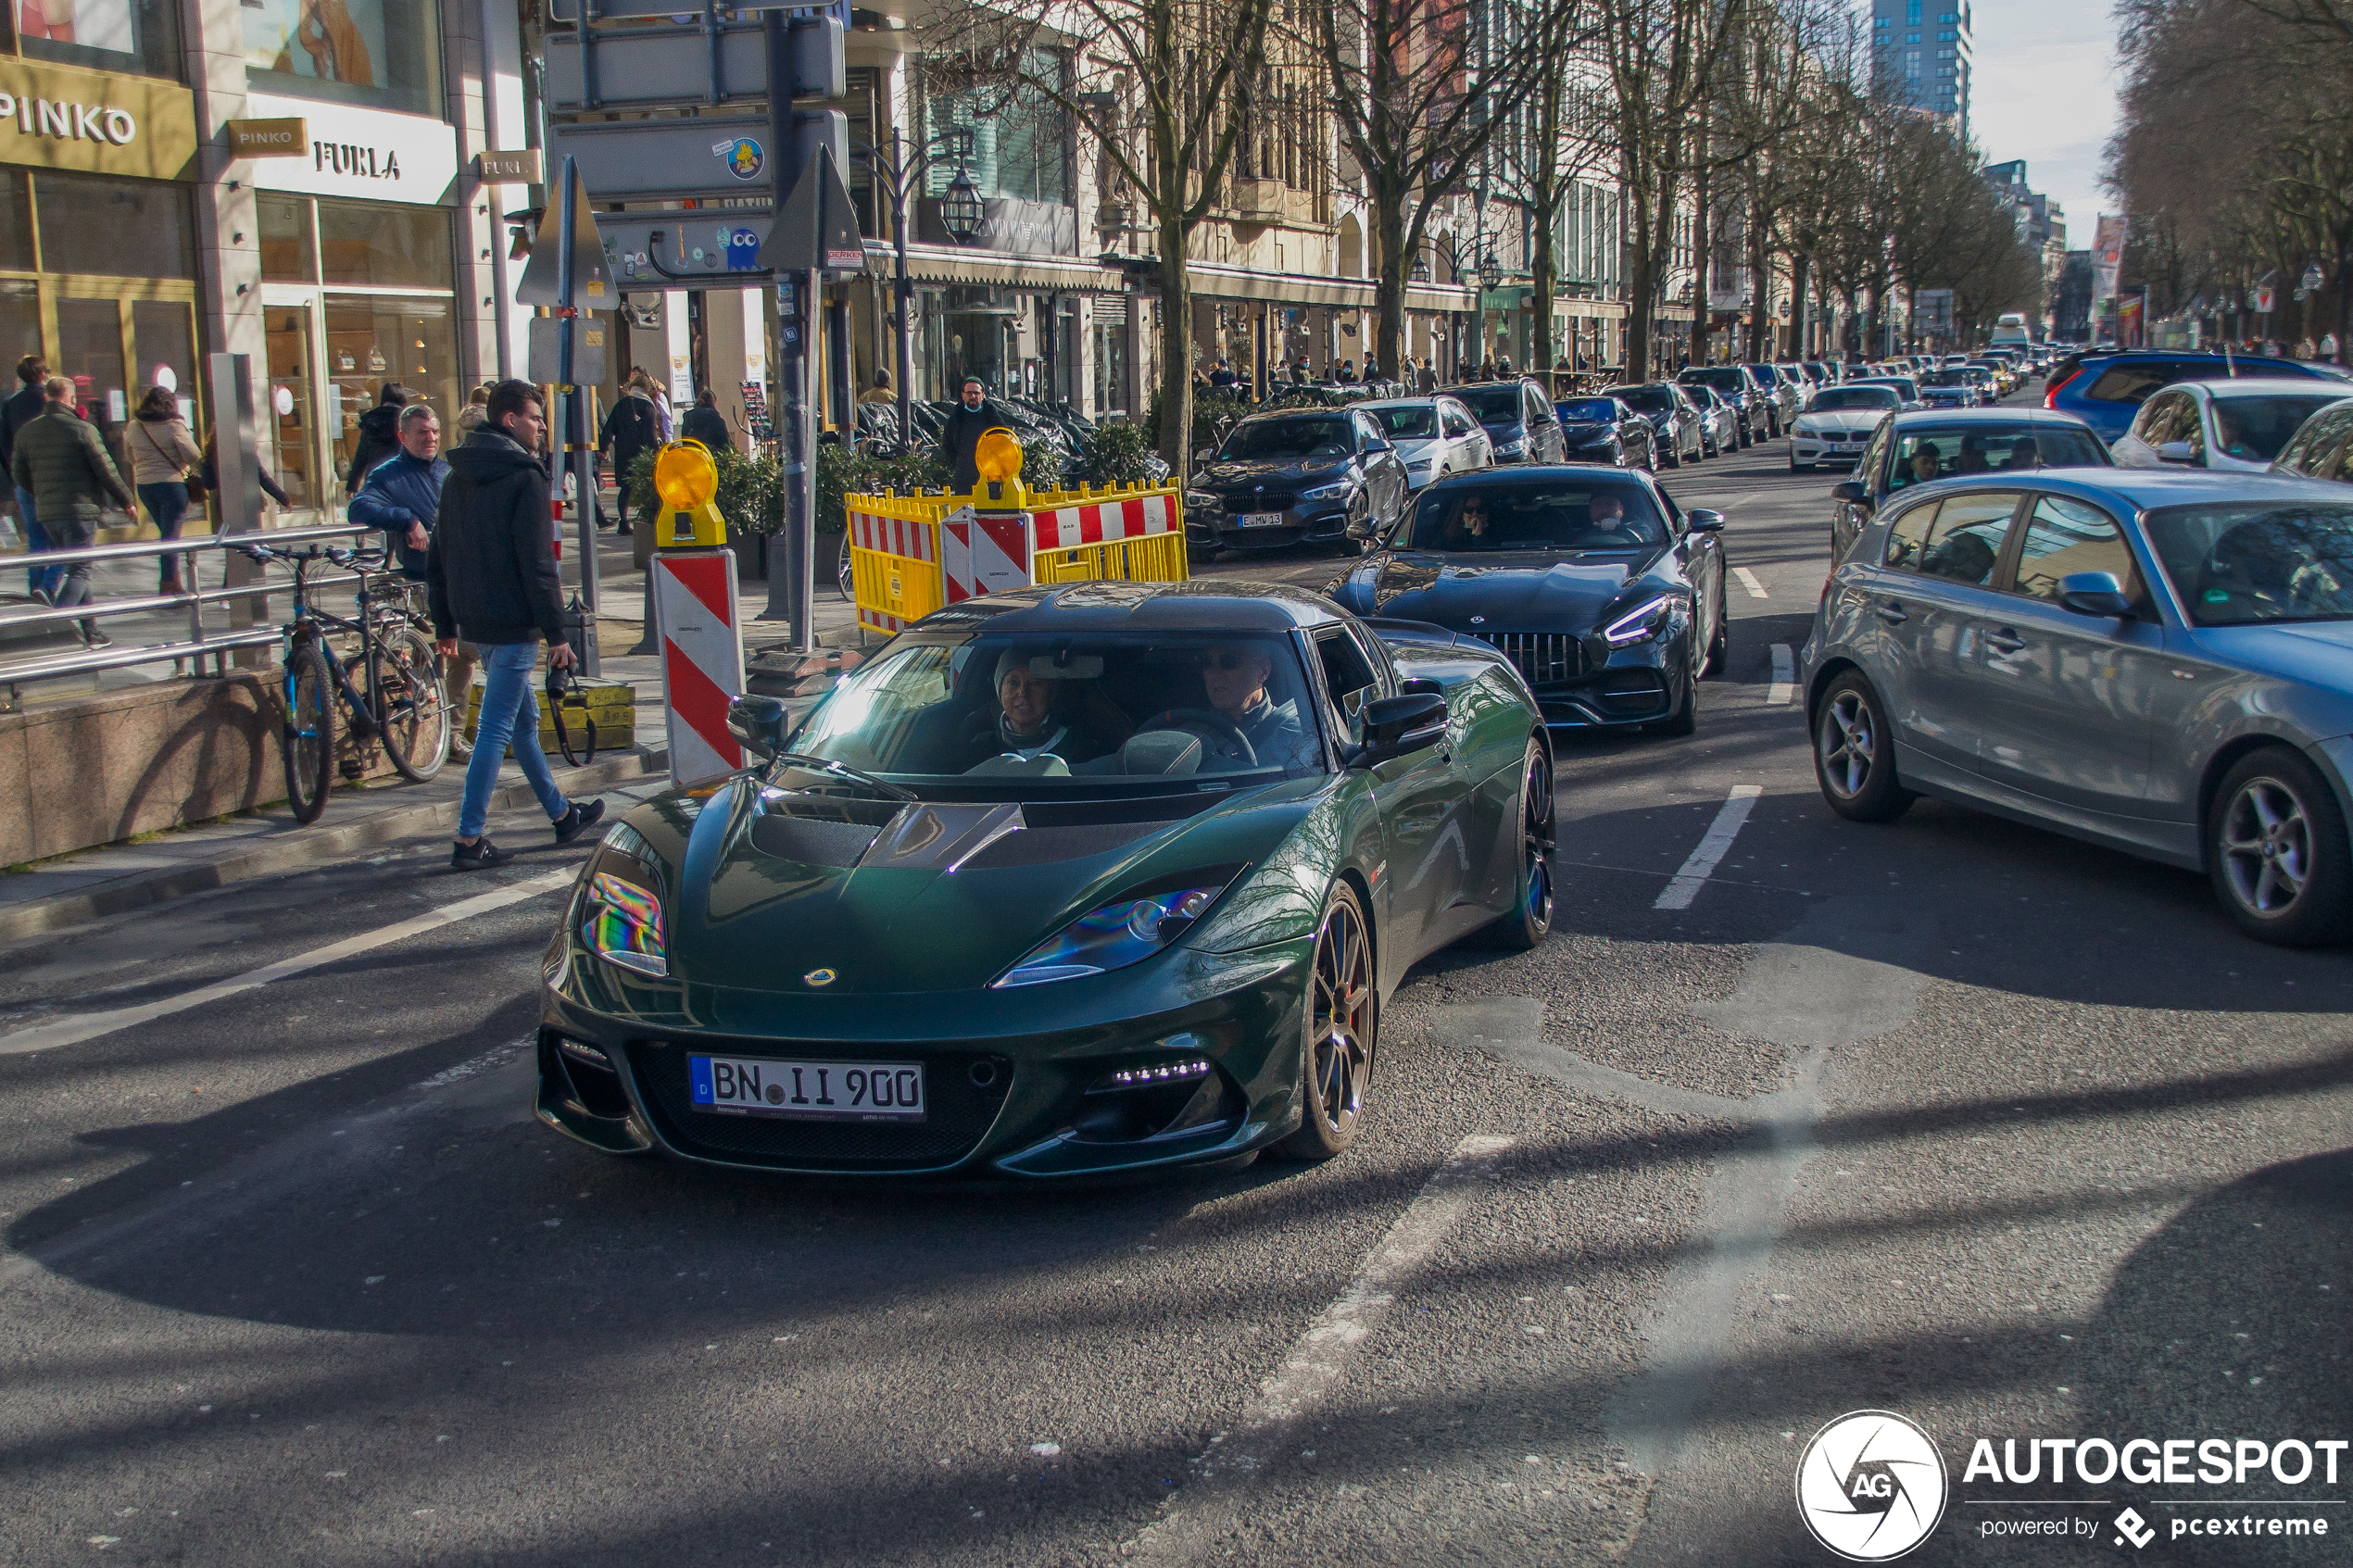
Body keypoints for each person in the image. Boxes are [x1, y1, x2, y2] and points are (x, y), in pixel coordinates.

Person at [427, 379, 603, 870]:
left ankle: (562, 814)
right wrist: (556, 634)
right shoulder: (524, 477)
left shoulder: (455, 476)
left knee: (525, 723)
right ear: (509, 420)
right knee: (496, 729)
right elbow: (537, 564)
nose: (543, 427)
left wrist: (445, 622)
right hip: (513, 623)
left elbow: (437, 559)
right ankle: (468, 839)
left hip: (475, 623)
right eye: (535, 418)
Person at [348, 404, 474, 761]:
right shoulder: (388, 475)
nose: (431, 438)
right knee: (435, 654)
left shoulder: (450, 470)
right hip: (423, 579)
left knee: (463, 657)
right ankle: (425, 736)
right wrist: (405, 519)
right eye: (422, 433)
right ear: (403, 437)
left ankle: (451, 734)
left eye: (434, 431)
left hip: (460, 577)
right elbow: (359, 508)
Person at [12, 374, 133, 646]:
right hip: (80, 511)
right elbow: (107, 470)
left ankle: (91, 630)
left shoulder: (27, 432)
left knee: (77, 567)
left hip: (49, 513)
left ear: (47, 397)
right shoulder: (82, 429)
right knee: (81, 570)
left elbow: (18, 473)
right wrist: (126, 500)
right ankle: (57, 628)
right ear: (70, 398)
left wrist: (41, 494)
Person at [965, 648, 1114, 768]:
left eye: (1035, 683)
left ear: (1051, 693)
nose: (1023, 693)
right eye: (1012, 683)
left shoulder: (1081, 748)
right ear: (999, 691)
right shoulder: (981, 747)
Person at [125, 386, 204, 595]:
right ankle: (169, 585)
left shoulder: (134, 427)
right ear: (170, 405)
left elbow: (130, 456)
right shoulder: (174, 425)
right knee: (170, 538)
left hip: (144, 486)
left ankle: (173, 581)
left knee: (168, 535)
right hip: (172, 486)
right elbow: (193, 455)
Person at [1193, 642, 1308, 767]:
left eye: (1228, 661)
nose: (1213, 674)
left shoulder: (1296, 737)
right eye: (1206, 662)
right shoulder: (1192, 734)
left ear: (1263, 672)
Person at [1, 355, 56, 599]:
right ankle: (49, 585)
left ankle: (36, 587)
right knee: (65, 539)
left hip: (24, 478)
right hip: (51, 478)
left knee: (35, 537)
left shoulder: (11, 404)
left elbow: (4, 444)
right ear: (42, 374)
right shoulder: (49, 400)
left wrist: (13, 473)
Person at [598, 372, 661, 535]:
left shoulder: (621, 405)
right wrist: (656, 453)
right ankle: (651, 519)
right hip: (642, 453)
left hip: (623, 452)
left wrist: (603, 448)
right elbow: (650, 434)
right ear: (647, 389)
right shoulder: (648, 406)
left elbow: (609, 428)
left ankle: (624, 522)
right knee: (650, 486)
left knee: (625, 489)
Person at [938, 376, 1010, 493]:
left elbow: (1004, 440)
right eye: (969, 393)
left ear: (982, 394)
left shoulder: (992, 418)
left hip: (990, 476)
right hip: (964, 477)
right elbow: (948, 444)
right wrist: (958, 463)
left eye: (976, 393)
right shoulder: (956, 419)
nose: (973, 396)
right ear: (963, 395)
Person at [345, 383, 411, 492]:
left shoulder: (372, 420)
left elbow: (362, 454)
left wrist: (352, 485)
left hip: (376, 475)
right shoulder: (407, 419)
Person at [679, 388, 732, 452]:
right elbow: (724, 443)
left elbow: (685, 437)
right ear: (713, 402)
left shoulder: (688, 417)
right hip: (709, 456)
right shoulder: (717, 420)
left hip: (691, 453)